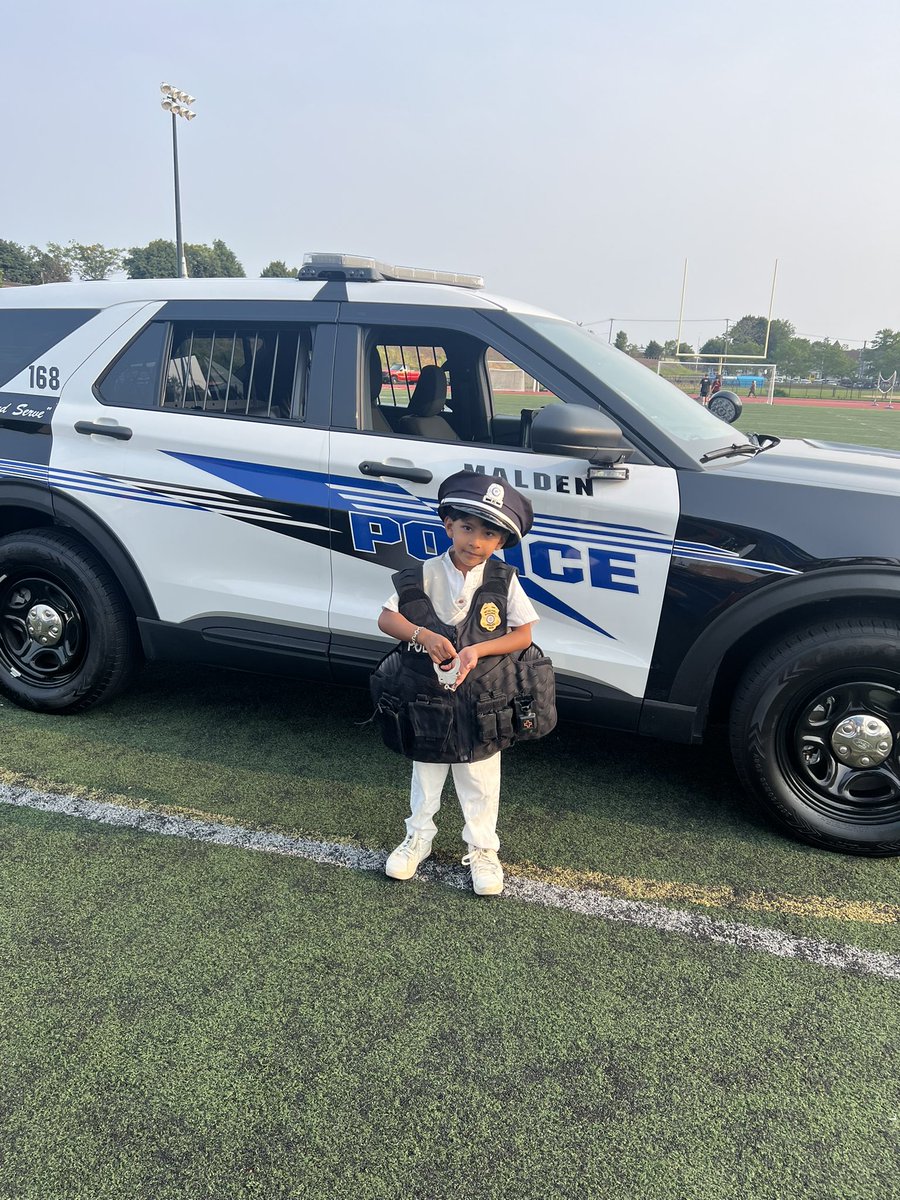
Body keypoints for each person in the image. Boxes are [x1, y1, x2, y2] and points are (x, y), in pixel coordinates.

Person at [374, 471, 542, 896]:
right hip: (426, 697)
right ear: (447, 524)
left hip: (484, 700)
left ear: (501, 542)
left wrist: (477, 651)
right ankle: (419, 838)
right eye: (467, 527)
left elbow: (523, 634)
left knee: (480, 777)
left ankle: (483, 848)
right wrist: (423, 636)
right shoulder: (424, 574)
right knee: (427, 770)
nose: (475, 541)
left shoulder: (503, 581)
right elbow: (386, 618)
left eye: (488, 533)